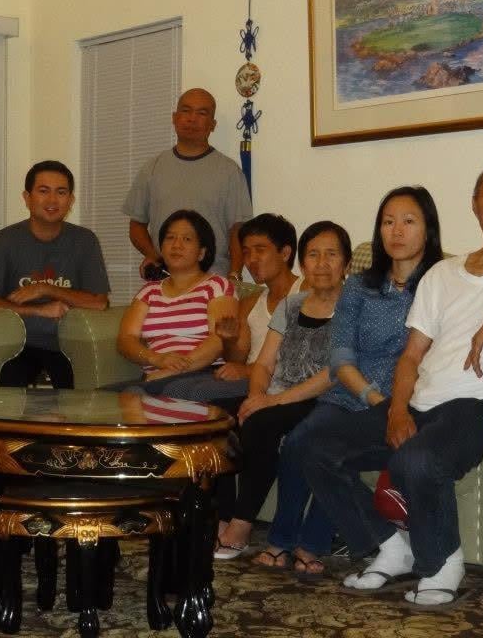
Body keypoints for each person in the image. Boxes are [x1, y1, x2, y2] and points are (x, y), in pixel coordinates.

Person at [301, 162, 483, 607]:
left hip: (468, 408)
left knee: (417, 461)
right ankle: (388, 547)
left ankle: (441, 564)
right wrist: (396, 410)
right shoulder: (442, 275)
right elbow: (411, 355)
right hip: (415, 404)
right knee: (311, 446)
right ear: (475, 205)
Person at [260, 187, 443, 579]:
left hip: (403, 401)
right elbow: (341, 355)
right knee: (299, 442)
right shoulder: (361, 286)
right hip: (352, 393)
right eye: (388, 221)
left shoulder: (439, 284)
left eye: (408, 221)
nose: (396, 231)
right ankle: (286, 538)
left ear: (427, 230)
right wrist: (371, 396)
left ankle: (315, 543)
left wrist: (388, 403)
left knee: (324, 453)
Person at [214, 222, 351, 563]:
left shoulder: (353, 309)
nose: (321, 263)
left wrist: (269, 402)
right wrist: (255, 395)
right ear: (303, 264)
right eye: (313, 255)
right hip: (275, 394)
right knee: (215, 419)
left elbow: (334, 372)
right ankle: (220, 516)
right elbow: (262, 364)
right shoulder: (291, 306)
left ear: (346, 264)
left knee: (261, 423)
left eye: (331, 255)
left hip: (320, 399)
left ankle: (242, 525)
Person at [0, 161, 110, 389]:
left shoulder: (85, 241)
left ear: (71, 200)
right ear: (27, 198)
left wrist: (47, 289)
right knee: (6, 392)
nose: (52, 200)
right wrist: (38, 310)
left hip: (69, 344)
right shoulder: (4, 241)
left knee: (77, 401)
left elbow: (99, 303)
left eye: (61, 192)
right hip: (16, 343)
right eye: (43, 191)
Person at [157, 213, 303, 403]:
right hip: (248, 379)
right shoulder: (250, 303)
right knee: (175, 388)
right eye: (246, 252)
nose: (251, 260)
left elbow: (305, 357)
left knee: (197, 395)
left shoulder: (306, 292)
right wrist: (229, 340)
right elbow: (237, 358)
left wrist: (247, 371)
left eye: (260, 250)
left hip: (274, 382)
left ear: (285, 253)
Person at [123, 88, 252, 279]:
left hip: (213, 283)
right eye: (186, 111)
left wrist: (234, 274)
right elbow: (136, 225)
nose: (192, 119)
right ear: (174, 118)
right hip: (165, 282)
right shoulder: (152, 168)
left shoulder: (229, 171)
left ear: (213, 124)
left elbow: (238, 231)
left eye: (202, 113)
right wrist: (154, 255)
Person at [116, 210, 238, 381]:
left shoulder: (216, 286)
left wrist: (175, 369)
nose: (176, 245)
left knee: (146, 396)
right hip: (156, 375)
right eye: (170, 238)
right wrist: (156, 359)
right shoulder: (149, 292)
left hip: (201, 374)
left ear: (202, 252)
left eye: (187, 239)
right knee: (105, 398)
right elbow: (126, 339)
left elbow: (219, 340)